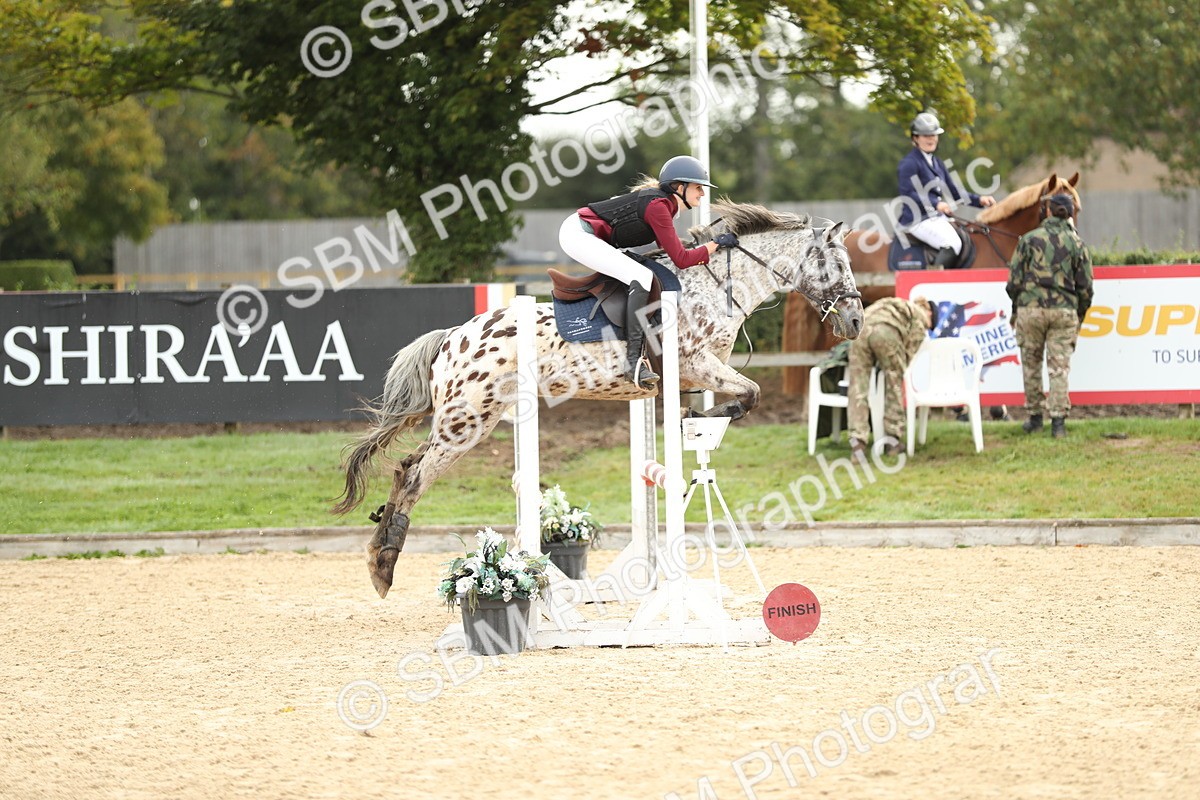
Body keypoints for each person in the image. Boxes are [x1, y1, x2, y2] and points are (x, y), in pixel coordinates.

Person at [558, 156, 736, 390]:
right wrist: (715, 244)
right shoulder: (658, 207)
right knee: (641, 277)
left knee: (644, 272)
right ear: (678, 187)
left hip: (586, 234)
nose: (702, 193)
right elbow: (681, 260)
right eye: (697, 187)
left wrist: (703, 247)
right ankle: (632, 362)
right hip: (578, 235)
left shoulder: (664, 205)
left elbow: (673, 251)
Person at [1006, 193, 1093, 438]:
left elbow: (1013, 281)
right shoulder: (1077, 244)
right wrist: (1079, 315)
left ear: (1048, 212)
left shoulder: (1029, 240)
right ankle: (1058, 423)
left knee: (1031, 364)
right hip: (1063, 310)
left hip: (1030, 309)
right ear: (1070, 215)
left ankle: (1034, 418)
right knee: (1059, 368)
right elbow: (1086, 287)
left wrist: (1017, 309)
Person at [896, 112, 996, 269]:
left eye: (934, 135)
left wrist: (979, 200)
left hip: (935, 217)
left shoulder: (937, 163)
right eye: (925, 135)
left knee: (966, 236)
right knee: (952, 243)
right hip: (916, 219)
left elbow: (956, 193)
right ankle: (932, 283)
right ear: (915, 138)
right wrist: (936, 203)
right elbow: (908, 194)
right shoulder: (909, 163)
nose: (931, 138)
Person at [847, 296, 936, 461]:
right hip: (885, 331)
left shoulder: (895, 304)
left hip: (860, 328)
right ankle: (893, 441)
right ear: (929, 312)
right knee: (894, 383)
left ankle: (857, 444)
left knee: (858, 386)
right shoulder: (920, 316)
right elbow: (907, 356)